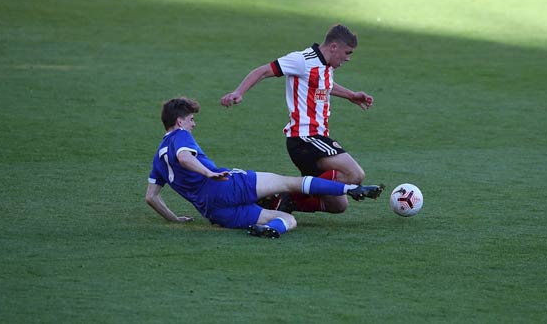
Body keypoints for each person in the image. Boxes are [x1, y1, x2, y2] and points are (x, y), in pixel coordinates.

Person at [145, 97, 383, 238]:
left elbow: (151, 197)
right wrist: (209, 173)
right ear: (179, 121)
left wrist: (175, 219)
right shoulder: (180, 137)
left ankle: (273, 230)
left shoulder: (158, 157)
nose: (193, 123)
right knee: (288, 182)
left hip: (213, 211)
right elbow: (185, 157)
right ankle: (349, 190)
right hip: (226, 185)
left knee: (287, 220)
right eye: (190, 119)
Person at [220, 24, 373, 214]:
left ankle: (285, 201)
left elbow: (324, 85)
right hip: (305, 138)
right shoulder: (302, 60)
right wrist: (238, 92)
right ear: (334, 46)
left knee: (338, 206)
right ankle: (288, 191)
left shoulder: (325, 66)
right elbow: (263, 70)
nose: (348, 58)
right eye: (347, 52)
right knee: (355, 174)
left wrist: (351, 95)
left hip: (315, 139)